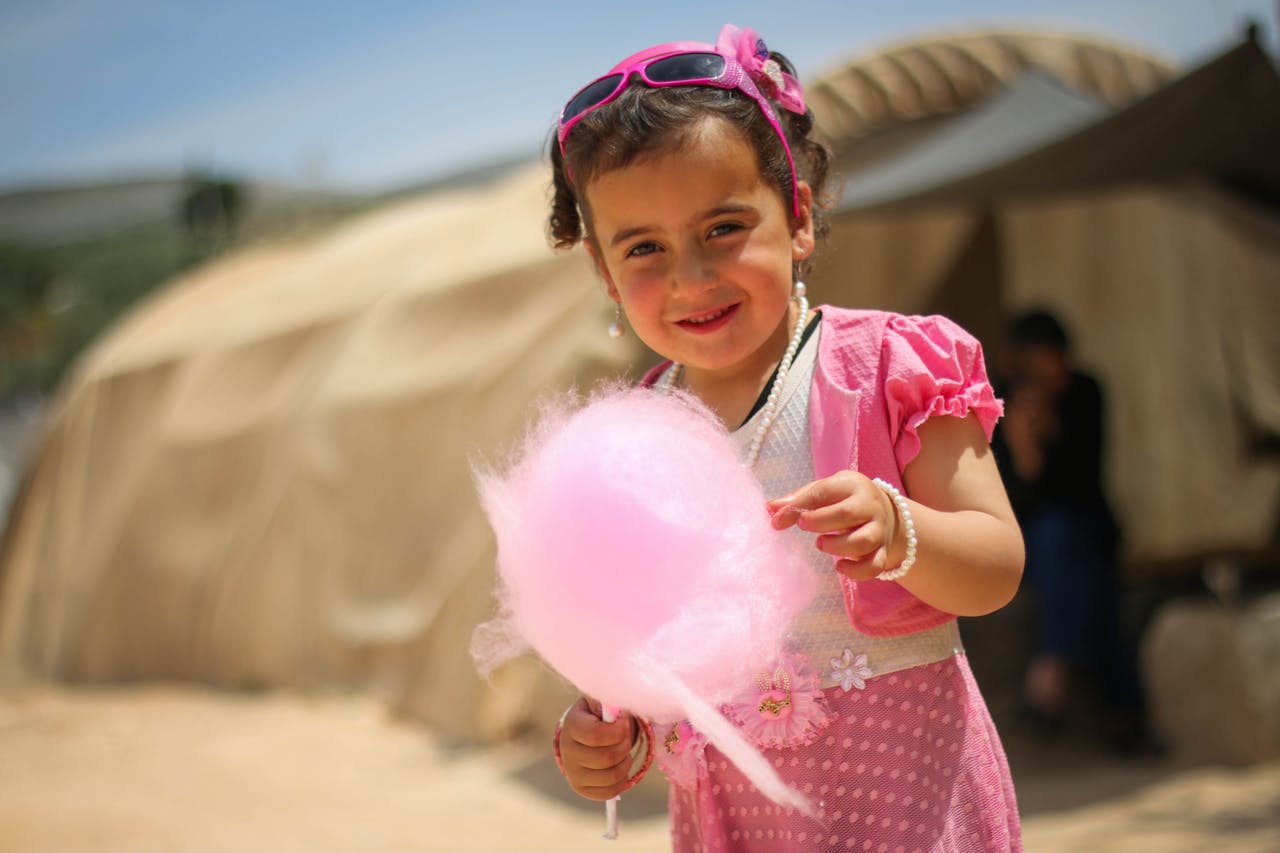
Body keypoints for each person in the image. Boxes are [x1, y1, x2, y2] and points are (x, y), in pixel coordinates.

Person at [548, 24, 1025, 851]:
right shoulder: (630, 439)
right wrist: (607, 733)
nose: (692, 277)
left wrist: (899, 527)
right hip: (737, 821)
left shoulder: (889, 365)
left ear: (797, 217)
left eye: (723, 228)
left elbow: (997, 567)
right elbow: (631, 653)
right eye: (645, 249)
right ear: (603, 271)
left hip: (910, 806)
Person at [993, 310, 1148, 750]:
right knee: (1084, 571)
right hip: (1035, 540)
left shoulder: (1085, 392)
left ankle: (1049, 677)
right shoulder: (1002, 404)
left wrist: (1054, 434)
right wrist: (1025, 446)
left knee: (1074, 546)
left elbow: (1085, 482)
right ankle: (1126, 715)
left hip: (1086, 527)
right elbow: (1011, 499)